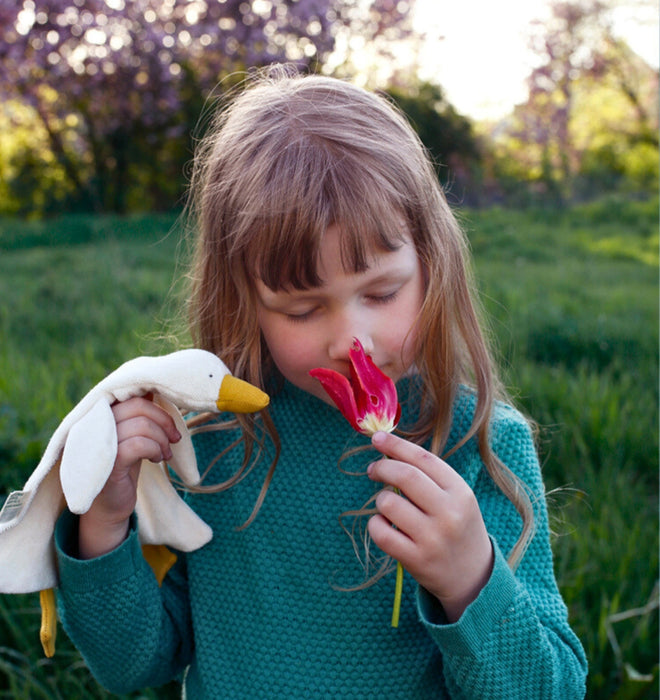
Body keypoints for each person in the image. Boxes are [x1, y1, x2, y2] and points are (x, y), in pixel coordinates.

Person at [55, 65, 587, 698]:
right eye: (303, 309)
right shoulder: (208, 447)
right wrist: (104, 530)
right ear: (244, 303)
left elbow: (552, 689)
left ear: (432, 265)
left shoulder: (480, 447)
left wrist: (471, 579)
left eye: (383, 292)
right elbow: (133, 667)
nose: (350, 341)